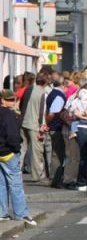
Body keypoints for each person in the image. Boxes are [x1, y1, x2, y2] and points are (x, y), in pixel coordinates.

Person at [0, 89, 36, 226]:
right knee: (15, 184)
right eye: (9, 100)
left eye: (13, 99)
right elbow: (13, 136)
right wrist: (16, 148)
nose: (12, 102)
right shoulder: (9, 115)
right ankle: (22, 214)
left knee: (2, 184)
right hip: (9, 153)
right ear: (3, 100)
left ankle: (2, 213)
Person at [19, 72, 49, 184]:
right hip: (35, 125)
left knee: (22, 149)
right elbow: (42, 112)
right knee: (37, 151)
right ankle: (38, 175)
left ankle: (16, 173)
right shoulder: (43, 93)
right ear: (45, 82)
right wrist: (42, 127)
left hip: (24, 122)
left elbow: (22, 104)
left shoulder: (29, 89)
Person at [45, 74, 67, 188]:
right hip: (57, 128)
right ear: (63, 84)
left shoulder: (52, 93)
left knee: (55, 154)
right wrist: (48, 123)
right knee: (59, 155)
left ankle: (54, 178)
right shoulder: (59, 96)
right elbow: (52, 113)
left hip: (53, 127)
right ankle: (56, 179)